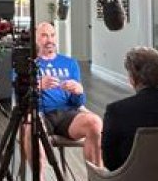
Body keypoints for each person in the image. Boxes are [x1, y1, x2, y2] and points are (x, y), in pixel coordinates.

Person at [23, 22, 104, 169]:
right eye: (44, 35)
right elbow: (20, 97)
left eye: (52, 35)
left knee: (95, 122)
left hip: (66, 115)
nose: (50, 40)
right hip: (39, 114)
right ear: (35, 39)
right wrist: (37, 85)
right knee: (31, 128)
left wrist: (79, 91)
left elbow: (77, 103)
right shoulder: (26, 64)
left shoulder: (70, 63)